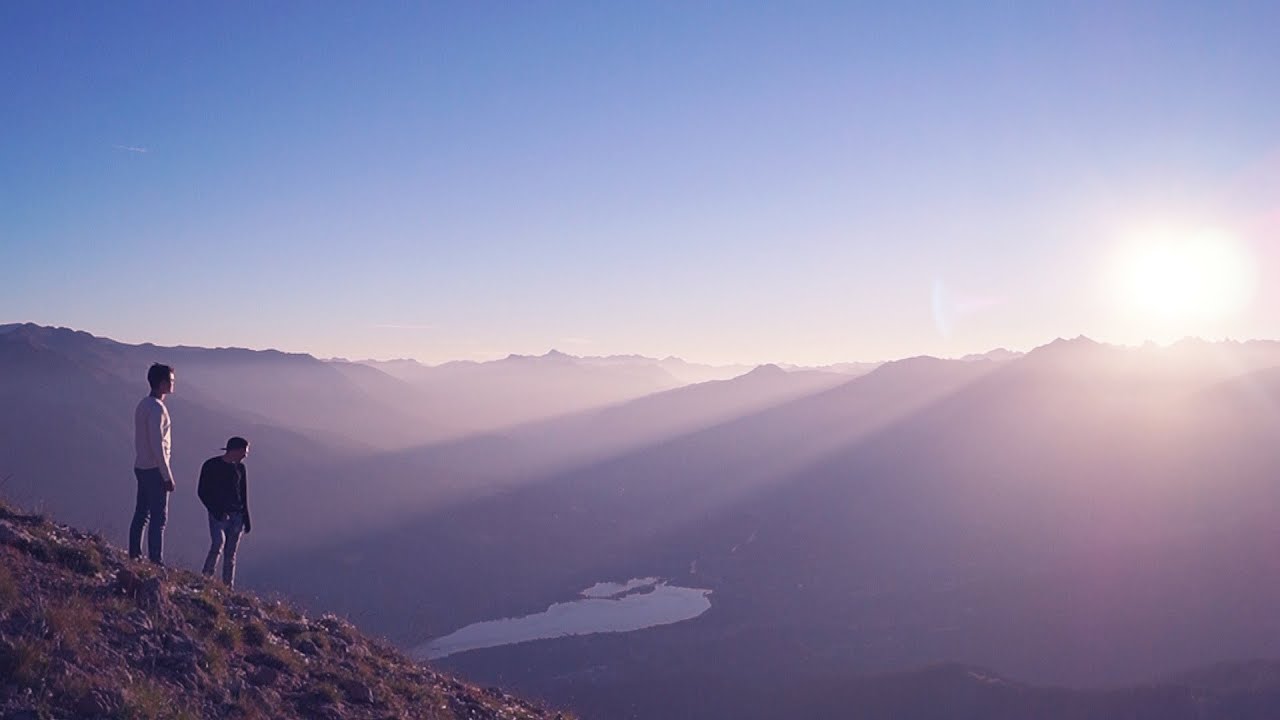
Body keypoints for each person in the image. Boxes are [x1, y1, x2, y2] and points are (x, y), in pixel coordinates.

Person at [130, 363, 175, 564]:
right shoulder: (158, 409)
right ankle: (156, 560)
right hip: (155, 469)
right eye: (171, 380)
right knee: (159, 518)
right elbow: (158, 444)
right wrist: (167, 476)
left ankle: (135, 554)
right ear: (163, 383)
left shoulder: (143, 404)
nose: (173, 384)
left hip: (141, 465)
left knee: (141, 513)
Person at [198, 436, 252, 586]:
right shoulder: (211, 466)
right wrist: (217, 511)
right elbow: (202, 491)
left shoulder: (240, 469)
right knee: (218, 544)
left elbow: (243, 493)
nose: (245, 455)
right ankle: (206, 579)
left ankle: (227, 587)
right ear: (236, 450)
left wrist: (246, 518)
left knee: (230, 553)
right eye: (244, 451)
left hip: (237, 515)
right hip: (219, 515)